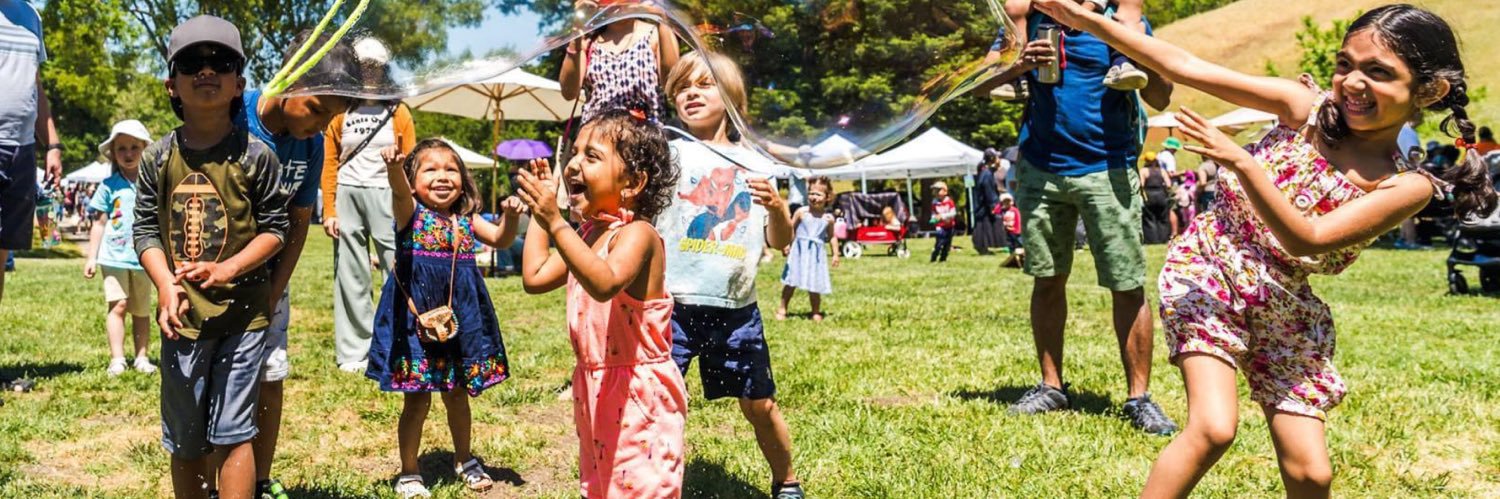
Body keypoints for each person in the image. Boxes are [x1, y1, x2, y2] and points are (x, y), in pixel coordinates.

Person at [1033, 2, 1497, 496]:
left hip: (1285, 302)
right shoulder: (1304, 108)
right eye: (1345, 64)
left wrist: (1241, 162)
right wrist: (1090, 23)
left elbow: (1308, 238)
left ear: (1430, 90)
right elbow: (1184, 66)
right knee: (1214, 428)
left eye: (1378, 72)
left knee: (1311, 473)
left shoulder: (1408, 184)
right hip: (1211, 265)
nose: (1353, 83)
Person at [977, 0, 1178, 434]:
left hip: (1109, 167)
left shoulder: (1118, 18)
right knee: (1047, 279)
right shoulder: (1033, 20)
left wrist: (1133, 47)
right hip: (1040, 167)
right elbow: (979, 84)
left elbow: (1161, 94)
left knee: (1126, 284)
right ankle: (1052, 387)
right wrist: (1017, 64)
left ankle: (1138, 398)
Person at [132, 16, 290, 499]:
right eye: (192, 63)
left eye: (220, 62)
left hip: (244, 318)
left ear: (239, 83)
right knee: (185, 438)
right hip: (181, 319)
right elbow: (145, 231)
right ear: (171, 84)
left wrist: (229, 268)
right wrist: (165, 285)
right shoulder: (157, 158)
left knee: (235, 431)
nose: (207, 71)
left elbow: (275, 230)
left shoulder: (257, 155)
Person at [656, 51, 806, 499]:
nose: (691, 93)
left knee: (759, 405)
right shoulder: (667, 152)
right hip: (672, 307)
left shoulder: (757, 162)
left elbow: (780, 241)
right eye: (683, 87)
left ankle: (787, 480)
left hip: (736, 309)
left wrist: (778, 209)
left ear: (731, 97)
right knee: (662, 406)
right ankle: (657, 486)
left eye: (704, 84)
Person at [516, 108, 687, 499]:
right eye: (574, 153)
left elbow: (604, 283)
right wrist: (544, 220)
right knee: (603, 489)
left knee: (641, 490)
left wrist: (557, 223)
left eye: (591, 156)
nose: (573, 164)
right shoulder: (589, 234)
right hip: (595, 388)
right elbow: (535, 277)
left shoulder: (639, 235)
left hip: (638, 395)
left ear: (633, 183)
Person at [228, 30, 360, 499]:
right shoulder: (231, 115)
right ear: (291, 81)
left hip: (269, 281)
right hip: (218, 277)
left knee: (269, 376)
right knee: (214, 382)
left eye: (333, 116)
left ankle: (260, 479)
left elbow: (300, 221)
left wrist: (275, 288)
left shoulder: (312, 144)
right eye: (319, 109)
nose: (324, 124)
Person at [365, 138, 520, 497]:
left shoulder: (466, 221)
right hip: (415, 322)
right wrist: (393, 168)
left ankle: (464, 459)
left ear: (464, 181)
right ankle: (409, 470)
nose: (442, 176)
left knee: (458, 395)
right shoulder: (410, 214)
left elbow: (500, 238)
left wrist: (511, 216)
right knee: (416, 399)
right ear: (412, 179)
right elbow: (400, 193)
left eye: (451, 169)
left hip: (459, 321)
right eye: (430, 169)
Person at [321, 37, 418, 374]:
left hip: (387, 192)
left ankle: (403, 341)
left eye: (375, 66)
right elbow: (330, 162)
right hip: (348, 191)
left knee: (398, 266)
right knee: (350, 273)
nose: (369, 72)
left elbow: (411, 162)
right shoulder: (340, 110)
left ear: (385, 68)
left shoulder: (399, 111)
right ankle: (353, 352)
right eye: (363, 66)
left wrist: (410, 202)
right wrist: (329, 210)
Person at [0, 0, 62, 311]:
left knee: (1, 252)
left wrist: (52, 145)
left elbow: (34, 86)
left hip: (22, 150)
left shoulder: (30, 16)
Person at [83, 120, 156, 377]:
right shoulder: (108, 186)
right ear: (113, 153)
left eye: (134, 147)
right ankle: (117, 358)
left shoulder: (153, 184)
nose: (128, 153)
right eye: (122, 148)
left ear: (145, 148)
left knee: (142, 310)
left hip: (145, 258)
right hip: (113, 257)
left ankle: (142, 356)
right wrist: (92, 257)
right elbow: (99, 223)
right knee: (118, 305)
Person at [559, 0, 680, 121]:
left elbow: (673, 84)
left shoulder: (654, 34)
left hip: (644, 134)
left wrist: (662, 18)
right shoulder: (588, 41)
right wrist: (577, 29)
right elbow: (568, 93)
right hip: (597, 134)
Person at [778, 177, 838, 321]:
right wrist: (786, 244)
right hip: (798, 253)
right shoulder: (801, 212)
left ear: (827, 197)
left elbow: (832, 237)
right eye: (811, 193)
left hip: (815, 256)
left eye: (818, 194)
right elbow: (791, 229)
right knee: (791, 281)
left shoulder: (828, 218)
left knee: (815, 283)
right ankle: (782, 308)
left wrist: (835, 254)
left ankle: (815, 311)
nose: (813, 197)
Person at [1140, 151, 1174, 244]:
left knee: (1149, 218)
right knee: (1163, 218)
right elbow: (1169, 185)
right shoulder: (1162, 171)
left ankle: (1152, 240)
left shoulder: (1144, 171)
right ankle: (1163, 239)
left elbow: (1141, 184)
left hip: (1149, 195)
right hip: (1161, 195)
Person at [972, 154, 1001, 254]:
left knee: (983, 224)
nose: (999, 160)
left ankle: (983, 247)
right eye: (998, 158)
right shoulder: (987, 173)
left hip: (981, 204)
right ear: (992, 159)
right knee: (982, 225)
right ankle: (982, 247)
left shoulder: (985, 172)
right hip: (983, 204)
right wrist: (993, 204)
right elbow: (988, 189)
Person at [929, 181, 958, 262]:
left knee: (947, 243)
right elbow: (934, 213)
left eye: (938, 190)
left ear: (945, 191)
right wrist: (934, 218)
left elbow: (953, 213)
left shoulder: (949, 202)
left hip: (949, 226)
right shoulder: (935, 202)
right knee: (939, 242)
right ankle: (934, 257)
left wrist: (943, 216)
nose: (936, 193)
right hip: (940, 226)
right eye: (935, 190)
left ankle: (943, 258)